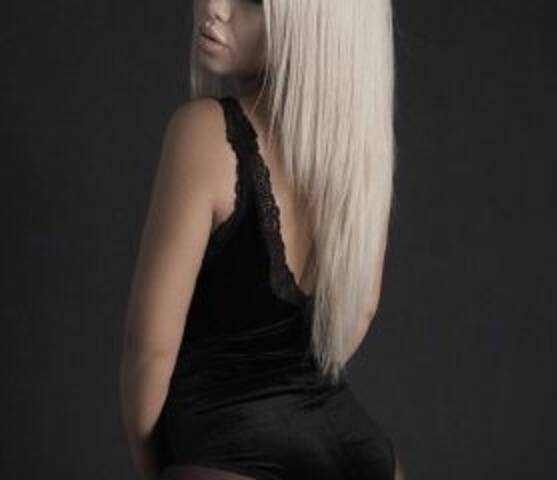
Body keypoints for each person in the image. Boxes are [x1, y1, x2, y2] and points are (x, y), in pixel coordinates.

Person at [120, 0, 406, 478]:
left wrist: (158, 468)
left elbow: (149, 350)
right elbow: (361, 310)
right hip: (356, 448)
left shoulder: (204, 132)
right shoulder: (361, 160)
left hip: (227, 447)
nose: (215, 8)